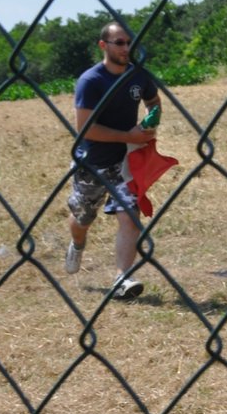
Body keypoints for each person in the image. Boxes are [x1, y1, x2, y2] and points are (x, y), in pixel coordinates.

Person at [64, 22, 160, 300]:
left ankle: (122, 278)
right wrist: (128, 134)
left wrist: (150, 123)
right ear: (103, 46)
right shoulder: (91, 81)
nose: (126, 48)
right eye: (120, 42)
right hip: (92, 163)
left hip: (125, 161)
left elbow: (153, 101)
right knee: (83, 219)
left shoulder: (138, 75)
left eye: (129, 42)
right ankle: (77, 243)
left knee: (131, 216)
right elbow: (86, 128)